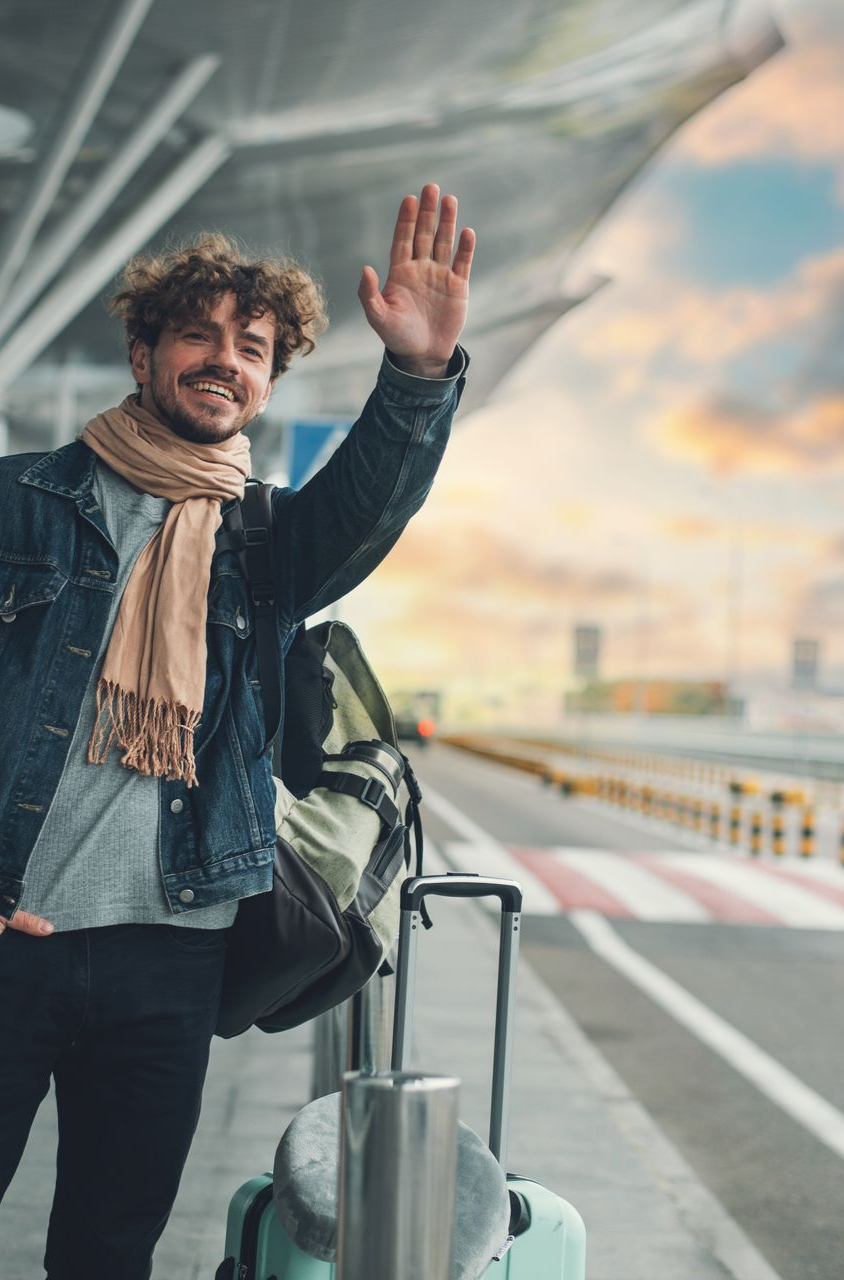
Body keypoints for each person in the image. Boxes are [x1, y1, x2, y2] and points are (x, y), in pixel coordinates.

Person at [0, 182, 473, 1278]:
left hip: (172, 950)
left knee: (111, 1247)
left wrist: (415, 374)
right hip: (15, 934)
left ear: (269, 377)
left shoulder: (264, 545)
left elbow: (369, 503)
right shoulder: (20, 503)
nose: (225, 358)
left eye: (251, 346)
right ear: (141, 352)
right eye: (199, 335)